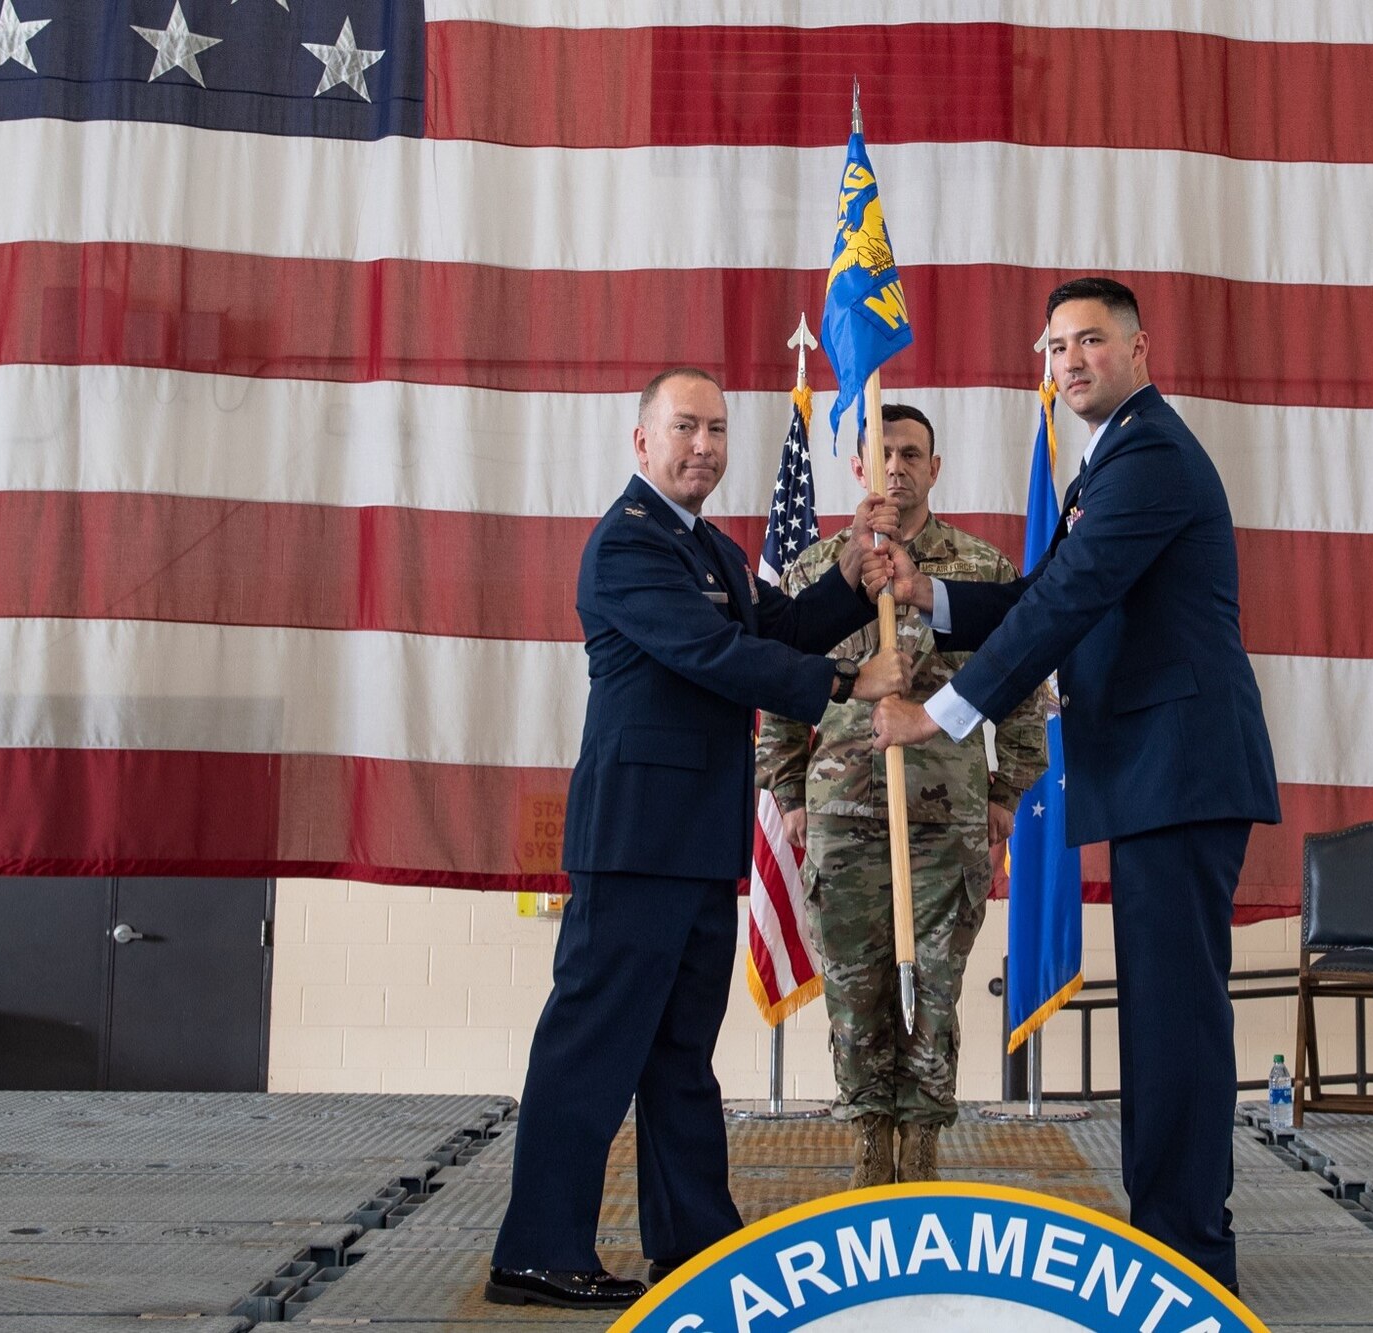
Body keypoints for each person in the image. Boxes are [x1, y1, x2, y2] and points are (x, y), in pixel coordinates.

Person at [867, 278, 1279, 1295]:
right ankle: (1174, 1238)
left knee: (1174, 1018)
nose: (1069, 361)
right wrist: (933, 592)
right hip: (1155, 771)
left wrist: (942, 713)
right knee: (1161, 1013)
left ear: (1140, 349)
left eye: (1090, 340)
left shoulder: (1147, 456)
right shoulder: (1112, 460)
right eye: (1054, 348)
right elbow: (1044, 590)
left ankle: (1190, 1259)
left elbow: (1071, 601)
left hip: (1176, 770)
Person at [488, 367, 911, 1311]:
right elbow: (717, 656)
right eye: (685, 428)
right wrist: (851, 687)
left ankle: (694, 1244)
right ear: (642, 442)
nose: (705, 447)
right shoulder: (629, 547)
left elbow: (780, 625)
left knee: (679, 1054)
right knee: (590, 1051)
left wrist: (848, 576)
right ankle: (537, 1249)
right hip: (636, 843)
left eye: (717, 430)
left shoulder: (710, 548)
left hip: (693, 844)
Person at [755, 403, 1047, 1189]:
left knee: (937, 995)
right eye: (882, 454)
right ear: (857, 467)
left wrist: (1007, 793)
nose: (897, 468)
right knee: (856, 994)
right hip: (842, 820)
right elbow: (779, 692)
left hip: (946, 819)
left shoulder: (978, 569)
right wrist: (787, 794)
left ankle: (922, 1142)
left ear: (935, 467)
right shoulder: (816, 570)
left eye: (912, 454)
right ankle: (867, 1140)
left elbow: (1023, 690)